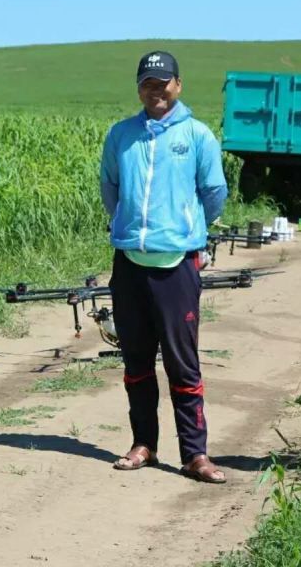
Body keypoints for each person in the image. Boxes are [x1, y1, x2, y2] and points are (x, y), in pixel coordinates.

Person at [99, 50, 230, 483]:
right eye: (147, 84)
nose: (155, 90)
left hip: (177, 265)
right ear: (139, 88)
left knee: (182, 362)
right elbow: (110, 187)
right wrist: (128, 225)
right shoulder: (121, 135)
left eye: (163, 83)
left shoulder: (196, 135)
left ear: (178, 84)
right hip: (130, 262)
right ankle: (144, 444)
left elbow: (214, 192)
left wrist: (189, 229)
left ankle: (195, 453)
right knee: (136, 360)